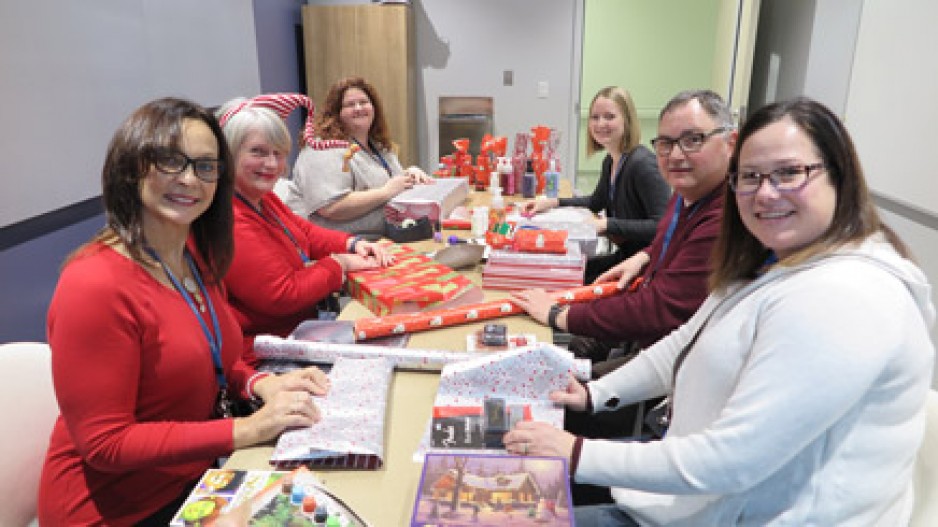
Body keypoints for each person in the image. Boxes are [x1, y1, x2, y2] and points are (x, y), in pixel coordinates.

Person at [503, 97, 936, 526]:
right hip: (702, 493)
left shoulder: (845, 296)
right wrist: (595, 394)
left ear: (839, 176)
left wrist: (575, 452)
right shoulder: (774, 257)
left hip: (732, 503)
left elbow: (731, 460)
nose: (765, 193)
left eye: (789, 173)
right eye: (750, 177)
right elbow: (687, 340)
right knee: (507, 484)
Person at [39, 98, 334, 525]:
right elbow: (105, 443)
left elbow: (215, 356)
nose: (189, 179)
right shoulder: (94, 283)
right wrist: (247, 430)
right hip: (119, 510)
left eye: (205, 165)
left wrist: (261, 383)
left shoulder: (193, 256)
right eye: (170, 161)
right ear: (130, 168)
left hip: (197, 476)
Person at [513, 90, 736, 378]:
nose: (677, 155)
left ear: (731, 143)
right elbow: (666, 235)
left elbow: (656, 308)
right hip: (644, 316)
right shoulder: (687, 194)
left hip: (667, 356)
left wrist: (559, 315)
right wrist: (646, 255)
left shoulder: (719, 217)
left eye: (693, 140)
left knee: (556, 383)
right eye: (666, 144)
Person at [217, 94, 393, 364]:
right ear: (228, 153)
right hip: (268, 353)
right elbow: (283, 294)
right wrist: (340, 264)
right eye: (258, 152)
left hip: (301, 329)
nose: (272, 164)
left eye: (278, 154)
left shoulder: (260, 197)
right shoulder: (230, 219)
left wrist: (352, 243)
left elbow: (304, 232)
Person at [519, 86, 671, 283]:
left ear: (627, 119)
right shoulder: (611, 161)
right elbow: (596, 201)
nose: (600, 124)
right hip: (625, 257)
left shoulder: (643, 164)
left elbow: (662, 225)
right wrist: (553, 203)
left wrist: (607, 224)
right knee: (559, 273)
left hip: (644, 269)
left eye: (609, 117)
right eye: (595, 117)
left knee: (567, 279)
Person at [279, 76, 432, 236]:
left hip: (382, 237)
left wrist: (410, 175)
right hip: (338, 246)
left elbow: (394, 183)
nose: (358, 108)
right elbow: (331, 207)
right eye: (349, 105)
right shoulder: (322, 147)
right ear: (336, 113)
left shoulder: (378, 146)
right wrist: (385, 192)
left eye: (364, 102)